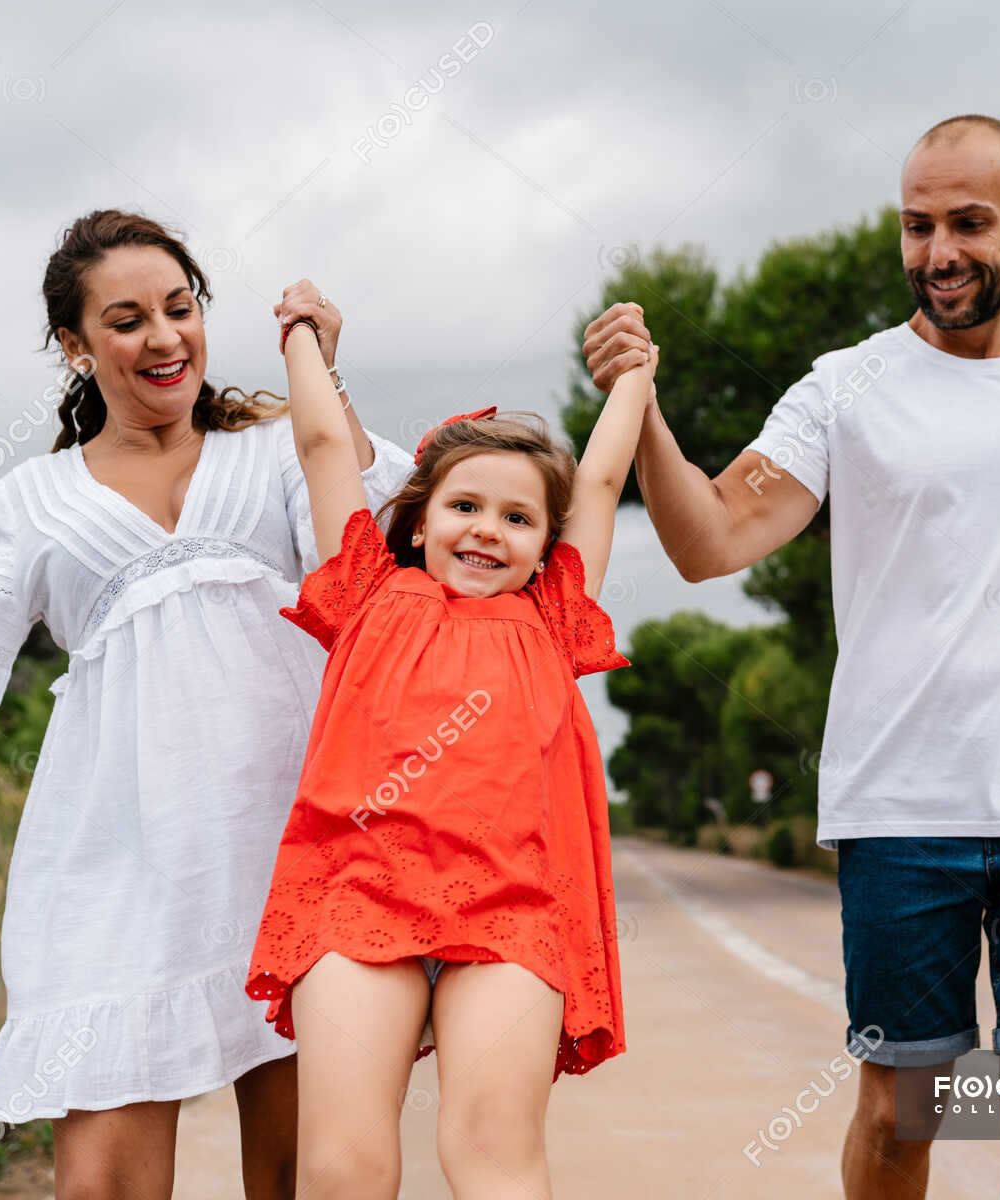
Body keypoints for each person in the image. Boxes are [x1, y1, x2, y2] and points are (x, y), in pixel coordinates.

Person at [581, 115, 1000, 1199]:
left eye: (968, 223)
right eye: (917, 225)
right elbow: (710, 540)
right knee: (904, 1119)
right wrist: (646, 408)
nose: (939, 251)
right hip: (902, 814)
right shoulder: (844, 388)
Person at [0, 210, 412, 1200]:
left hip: (292, 844)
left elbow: (377, 540)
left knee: (311, 1177)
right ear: (75, 346)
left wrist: (323, 371)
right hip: (122, 864)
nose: (164, 337)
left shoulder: (273, 451)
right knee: (99, 1185)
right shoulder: (32, 498)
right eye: (128, 319)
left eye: (181, 309)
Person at [241, 311, 655, 1198]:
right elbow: (320, 444)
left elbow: (606, 475)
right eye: (465, 506)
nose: (486, 530)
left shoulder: (551, 618)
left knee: (492, 1153)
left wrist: (636, 375)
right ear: (420, 523)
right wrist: (303, 336)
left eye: (518, 517)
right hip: (358, 899)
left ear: (549, 544)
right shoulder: (368, 593)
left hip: (513, 912)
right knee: (340, 1165)